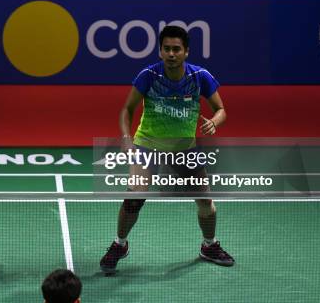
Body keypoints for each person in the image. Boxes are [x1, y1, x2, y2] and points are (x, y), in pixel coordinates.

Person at [99, 25, 235, 274]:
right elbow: (126, 110)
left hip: (184, 147)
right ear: (160, 51)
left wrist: (214, 122)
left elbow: (221, 109)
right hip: (148, 143)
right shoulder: (149, 75)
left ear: (186, 52)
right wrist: (127, 137)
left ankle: (209, 245)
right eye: (166, 49)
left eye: (176, 49)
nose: (171, 54)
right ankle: (120, 244)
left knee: (205, 200)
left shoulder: (199, 77)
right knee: (134, 197)